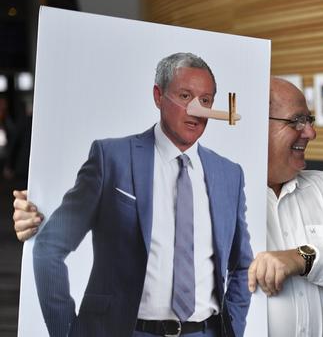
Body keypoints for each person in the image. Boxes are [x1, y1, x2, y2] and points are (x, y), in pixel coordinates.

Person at [15, 76, 323, 337]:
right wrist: (40, 223)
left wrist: (303, 258)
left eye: (309, 120)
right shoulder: (203, 187)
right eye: (296, 121)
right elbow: (127, 239)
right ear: (253, 126)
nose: (310, 132)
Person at [15, 52, 253, 337]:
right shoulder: (111, 158)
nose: (196, 110)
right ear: (158, 96)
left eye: (205, 101)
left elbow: (242, 265)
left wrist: (233, 329)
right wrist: (68, 333)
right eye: (185, 96)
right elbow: (49, 247)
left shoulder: (229, 174)